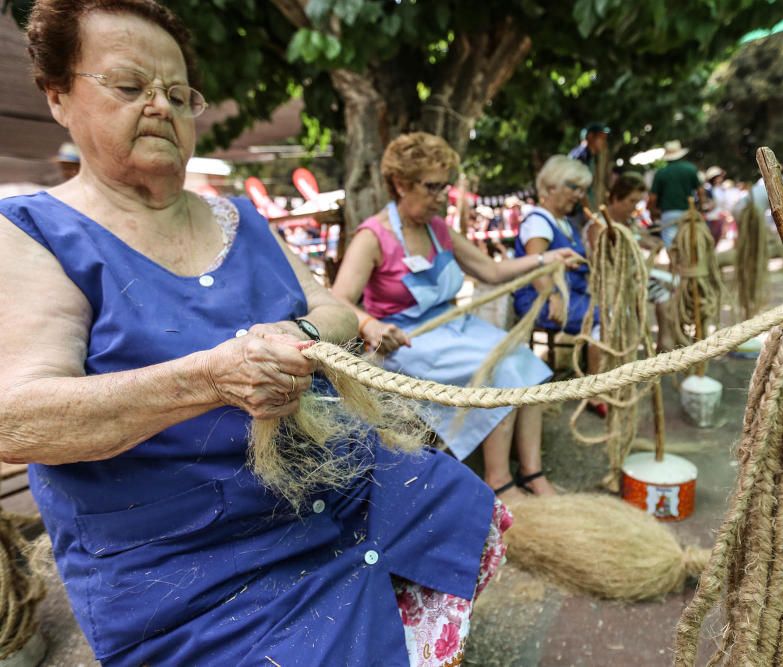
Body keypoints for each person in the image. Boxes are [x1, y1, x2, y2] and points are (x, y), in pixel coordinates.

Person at [0, 3, 507, 664]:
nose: (161, 106)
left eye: (180, 94)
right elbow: (17, 420)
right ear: (59, 94)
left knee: (455, 505)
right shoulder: (31, 231)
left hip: (344, 492)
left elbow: (332, 309)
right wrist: (208, 377)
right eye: (129, 87)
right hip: (198, 570)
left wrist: (291, 330)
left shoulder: (237, 215)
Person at [331, 133, 581, 499]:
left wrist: (548, 259)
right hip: (406, 340)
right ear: (401, 184)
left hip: (454, 326)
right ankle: (499, 481)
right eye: (432, 186)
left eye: (444, 186)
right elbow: (339, 300)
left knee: (523, 360)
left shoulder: (439, 229)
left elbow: (491, 271)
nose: (441, 196)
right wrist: (371, 324)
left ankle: (531, 470)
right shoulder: (374, 236)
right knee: (499, 370)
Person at [512, 155, 604, 409]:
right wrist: (551, 294)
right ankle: (595, 391)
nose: (578, 195)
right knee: (607, 316)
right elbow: (535, 264)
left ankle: (598, 376)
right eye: (573, 187)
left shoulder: (564, 222)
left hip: (571, 295)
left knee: (617, 310)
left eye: (582, 189)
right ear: (551, 186)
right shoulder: (539, 221)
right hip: (539, 299)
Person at [596, 172, 675, 352]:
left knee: (667, 293)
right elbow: (599, 258)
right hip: (612, 281)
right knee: (629, 307)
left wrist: (655, 242)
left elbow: (642, 238)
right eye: (631, 201)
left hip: (634, 276)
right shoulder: (600, 223)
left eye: (637, 201)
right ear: (616, 198)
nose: (634, 207)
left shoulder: (629, 221)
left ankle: (665, 343)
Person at [648, 140, 703, 247]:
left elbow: (653, 197)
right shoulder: (690, 169)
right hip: (688, 213)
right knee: (688, 244)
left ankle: (675, 263)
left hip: (668, 214)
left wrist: (652, 211)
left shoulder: (661, 173)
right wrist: (699, 207)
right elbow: (700, 191)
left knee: (671, 246)